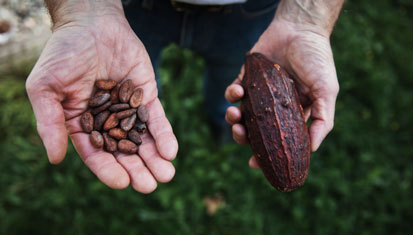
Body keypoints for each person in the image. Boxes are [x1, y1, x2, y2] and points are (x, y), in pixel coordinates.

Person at [25, 0, 342, 193]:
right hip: (127, 7)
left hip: (254, 11)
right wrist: (82, 11)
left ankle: (220, 121)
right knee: (140, 77)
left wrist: (308, 20)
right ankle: (197, 114)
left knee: (233, 85)